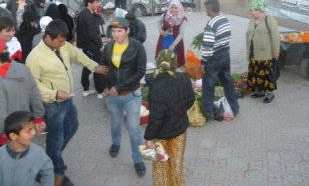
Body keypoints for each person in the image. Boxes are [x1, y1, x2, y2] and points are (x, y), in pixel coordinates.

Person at [26, 20, 108, 186]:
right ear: (48, 37)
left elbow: (77, 55)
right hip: (53, 104)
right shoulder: (34, 57)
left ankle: (47, 160)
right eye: (60, 41)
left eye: (64, 41)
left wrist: (94, 67)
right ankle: (58, 173)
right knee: (55, 141)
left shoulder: (63, 46)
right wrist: (55, 94)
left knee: (72, 127)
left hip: (68, 99)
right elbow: (33, 87)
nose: (63, 44)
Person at [102, 17, 147, 177]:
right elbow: (105, 68)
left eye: (119, 31)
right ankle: (116, 143)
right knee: (115, 123)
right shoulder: (108, 47)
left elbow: (140, 71)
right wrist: (106, 87)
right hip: (113, 96)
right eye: (113, 31)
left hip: (132, 95)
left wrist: (118, 87)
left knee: (134, 129)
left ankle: (137, 159)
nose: (116, 34)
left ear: (127, 31)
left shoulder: (137, 47)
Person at [144, 50, 195, 186]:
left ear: (158, 63)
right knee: (177, 164)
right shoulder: (184, 78)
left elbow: (156, 118)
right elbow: (191, 100)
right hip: (180, 132)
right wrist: (179, 110)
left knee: (161, 166)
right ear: (174, 64)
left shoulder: (155, 86)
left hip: (161, 136)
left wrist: (148, 138)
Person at [0, 38, 45, 145]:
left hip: (6, 134)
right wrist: (39, 118)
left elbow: (1, 112)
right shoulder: (23, 68)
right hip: (23, 126)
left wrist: (4, 133)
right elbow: (35, 95)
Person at [201, 0, 239, 121]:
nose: (205, 11)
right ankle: (234, 107)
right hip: (225, 54)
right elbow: (228, 36)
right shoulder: (225, 19)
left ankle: (209, 114)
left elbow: (207, 45)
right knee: (227, 82)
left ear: (210, 9)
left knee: (208, 86)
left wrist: (203, 62)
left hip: (214, 58)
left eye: (206, 9)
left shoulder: (211, 24)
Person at [0, 111, 54, 186]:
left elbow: (48, 171)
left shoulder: (37, 153)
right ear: (13, 136)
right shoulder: (1, 155)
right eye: (29, 130)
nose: (34, 132)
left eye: (33, 128)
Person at [245, 0, 280, 103]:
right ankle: (260, 91)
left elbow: (275, 37)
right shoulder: (252, 21)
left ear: (259, 10)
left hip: (265, 53)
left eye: (252, 10)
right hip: (253, 52)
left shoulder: (269, 19)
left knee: (265, 74)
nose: (250, 12)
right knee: (255, 73)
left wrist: (276, 51)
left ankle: (269, 93)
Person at [76, 0, 106, 99]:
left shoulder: (83, 13)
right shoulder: (87, 16)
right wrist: (100, 44)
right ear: (89, 3)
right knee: (97, 67)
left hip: (85, 45)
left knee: (87, 66)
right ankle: (100, 91)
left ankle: (86, 89)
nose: (98, 4)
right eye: (96, 2)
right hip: (91, 46)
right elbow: (92, 33)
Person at [156, 0, 187, 68]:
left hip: (176, 41)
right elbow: (158, 22)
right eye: (172, 7)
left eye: (176, 8)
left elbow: (181, 34)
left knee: (174, 59)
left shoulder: (182, 19)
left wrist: (173, 45)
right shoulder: (165, 15)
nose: (173, 10)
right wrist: (160, 30)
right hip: (164, 39)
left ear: (179, 8)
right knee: (163, 56)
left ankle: (173, 72)